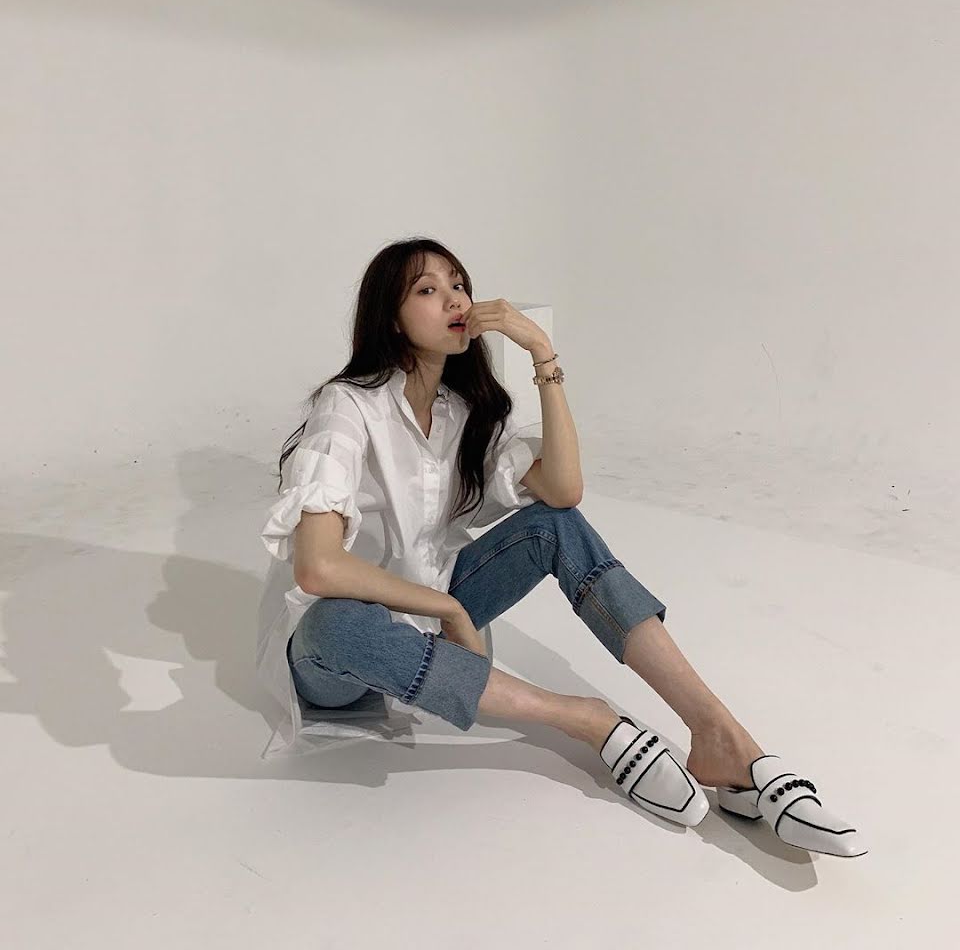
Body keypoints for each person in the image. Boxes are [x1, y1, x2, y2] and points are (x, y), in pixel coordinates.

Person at [256, 237, 866, 857]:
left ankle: (720, 736)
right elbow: (319, 567)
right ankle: (587, 719)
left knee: (555, 525)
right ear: (391, 317)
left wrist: (542, 353)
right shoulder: (348, 405)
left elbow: (565, 490)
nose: (454, 300)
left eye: (459, 285)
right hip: (338, 657)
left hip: (436, 619)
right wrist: (451, 608)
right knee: (335, 624)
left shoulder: (462, 411)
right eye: (428, 290)